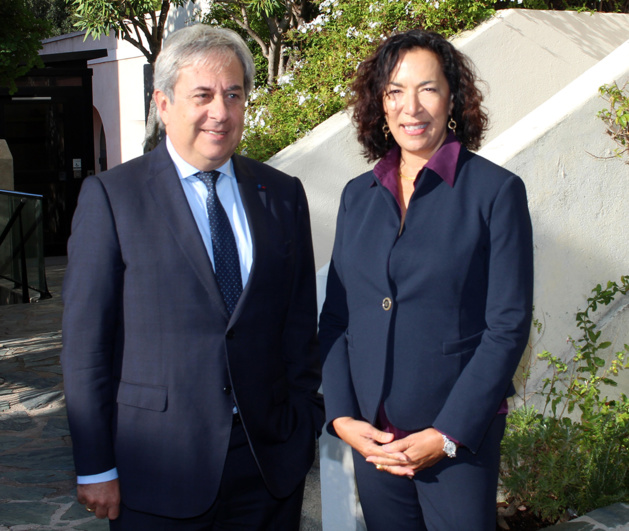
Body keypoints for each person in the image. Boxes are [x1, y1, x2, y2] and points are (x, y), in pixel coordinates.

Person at [61, 24, 324, 529]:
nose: (220, 112)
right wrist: (95, 465)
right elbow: (86, 346)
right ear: (163, 104)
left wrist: (302, 422)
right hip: (156, 469)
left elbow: (298, 326)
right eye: (202, 95)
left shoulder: (282, 194)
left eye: (233, 94)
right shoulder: (113, 198)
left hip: (268, 468)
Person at [318, 29, 533, 530]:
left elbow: (507, 326)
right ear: (380, 103)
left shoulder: (496, 192)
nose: (410, 107)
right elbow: (337, 320)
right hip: (376, 441)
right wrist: (344, 418)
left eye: (427, 89)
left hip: (457, 441)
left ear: (453, 99)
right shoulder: (356, 196)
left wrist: (448, 433)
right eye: (395, 91)